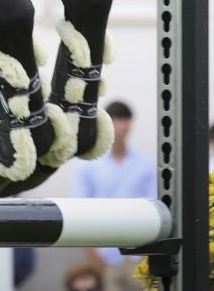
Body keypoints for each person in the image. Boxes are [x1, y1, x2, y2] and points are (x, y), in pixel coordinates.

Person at [73, 101, 159, 291]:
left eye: (125, 120)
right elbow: (79, 211)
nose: (121, 126)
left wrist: (149, 254)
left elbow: (156, 207)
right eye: (116, 120)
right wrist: (92, 254)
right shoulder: (87, 164)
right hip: (104, 255)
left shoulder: (146, 163)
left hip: (140, 255)